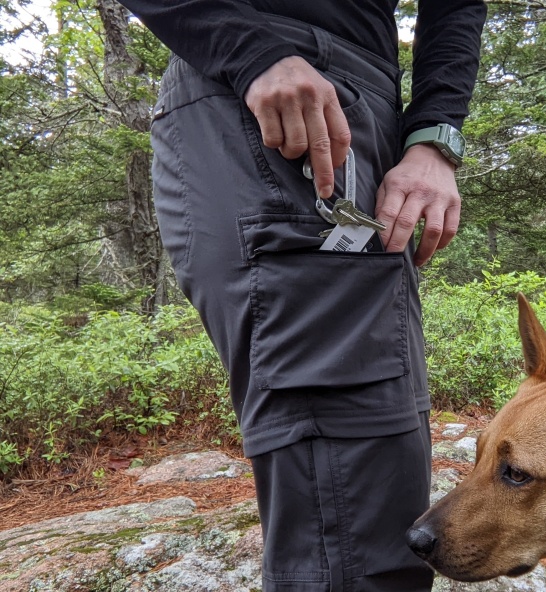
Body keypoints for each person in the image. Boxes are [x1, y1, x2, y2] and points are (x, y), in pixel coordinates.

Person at [115, 1, 486, 590]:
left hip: (355, 112)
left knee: (377, 463)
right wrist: (250, 50)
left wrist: (434, 139)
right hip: (279, 96)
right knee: (355, 516)